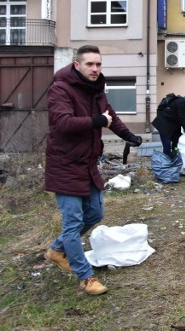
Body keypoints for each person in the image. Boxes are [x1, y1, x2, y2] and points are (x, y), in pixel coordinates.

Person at [44, 45, 142, 295]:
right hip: (65, 166)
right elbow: (63, 123)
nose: (95, 69)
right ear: (77, 65)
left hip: (87, 165)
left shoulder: (96, 91)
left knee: (95, 213)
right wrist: (98, 122)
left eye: (98, 64)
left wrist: (128, 135)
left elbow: (110, 116)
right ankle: (85, 277)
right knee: (73, 222)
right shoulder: (60, 89)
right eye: (90, 64)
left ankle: (57, 250)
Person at [152, 88, 185, 156]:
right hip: (164, 123)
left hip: (174, 124)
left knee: (176, 141)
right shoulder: (182, 102)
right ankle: (166, 161)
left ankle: (175, 155)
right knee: (167, 144)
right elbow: (182, 118)